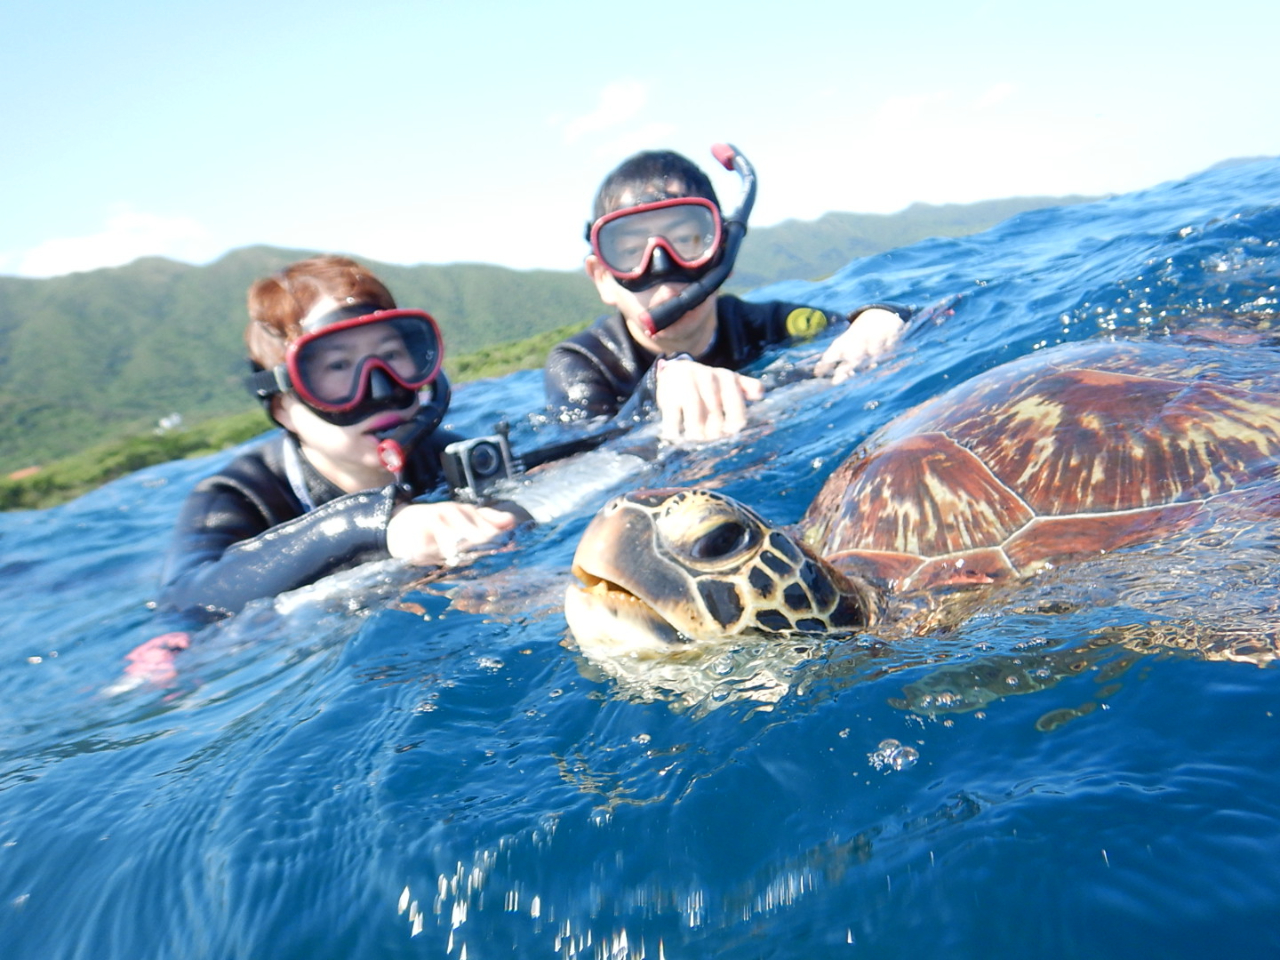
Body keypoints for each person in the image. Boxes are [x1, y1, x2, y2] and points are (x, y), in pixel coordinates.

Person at [159, 256, 521, 620]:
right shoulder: (238, 498)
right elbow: (185, 600)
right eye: (337, 366)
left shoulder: (447, 455)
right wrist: (373, 528)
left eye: (391, 355)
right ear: (282, 407)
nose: (380, 389)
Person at [544, 148, 912, 441]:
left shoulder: (766, 325)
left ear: (723, 251)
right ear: (603, 278)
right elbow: (585, 453)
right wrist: (655, 390)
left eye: (688, 240)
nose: (661, 271)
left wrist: (879, 316)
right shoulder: (584, 363)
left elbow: (864, 327)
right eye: (629, 251)